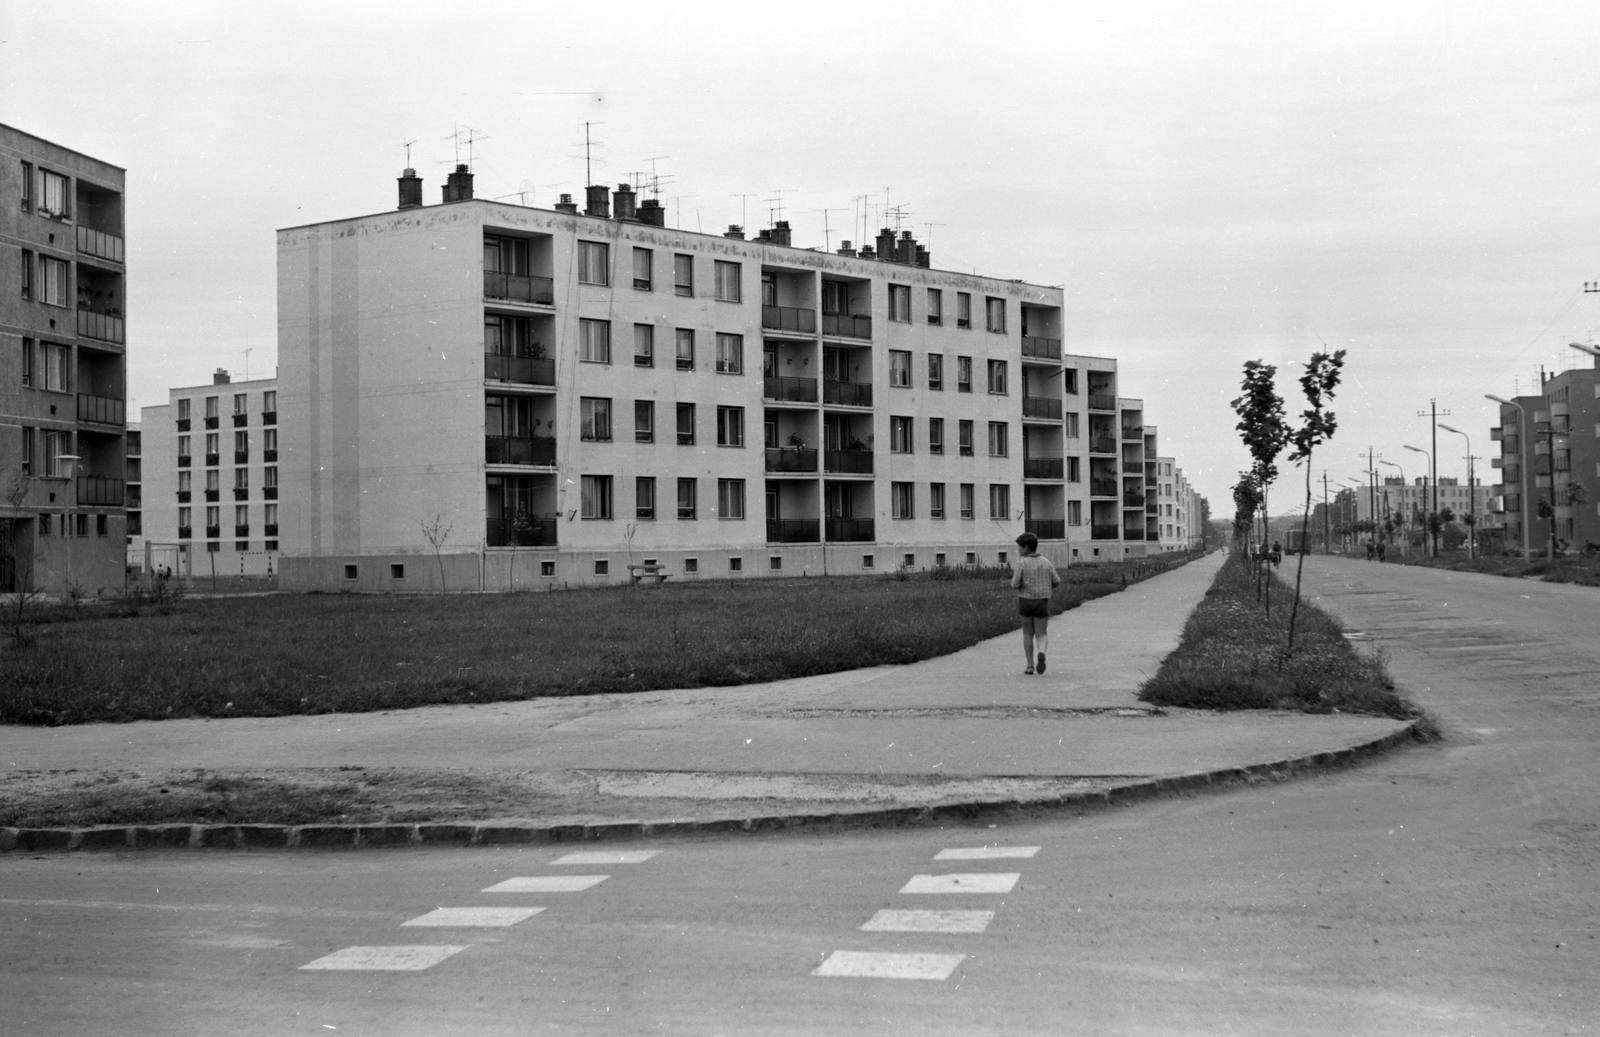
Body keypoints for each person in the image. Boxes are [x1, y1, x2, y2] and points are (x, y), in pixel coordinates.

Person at [1010, 532, 1060, 675]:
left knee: (1027, 633)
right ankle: (1042, 652)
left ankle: (1030, 666)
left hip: (1025, 601)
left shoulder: (1022, 563)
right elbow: (1057, 581)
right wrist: (1046, 586)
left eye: (1019, 547)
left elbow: (1015, 584)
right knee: (1041, 633)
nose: (1018, 549)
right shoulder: (1046, 562)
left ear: (1026, 547)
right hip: (1042, 602)